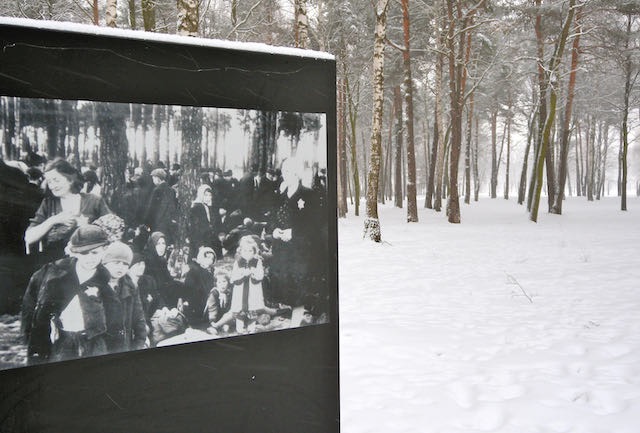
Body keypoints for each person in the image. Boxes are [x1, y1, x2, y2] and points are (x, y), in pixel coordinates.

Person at [21, 225, 111, 365]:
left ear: (104, 250)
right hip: (64, 341)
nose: (89, 259)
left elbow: (114, 314)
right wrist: (31, 335)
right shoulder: (55, 273)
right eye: (84, 253)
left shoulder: (104, 278)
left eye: (94, 253)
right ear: (75, 252)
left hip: (94, 341)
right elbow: (31, 304)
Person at [24, 158, 111, 263]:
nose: (52, 186)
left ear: (70, 179)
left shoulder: (94, 201)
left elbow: (112, 232)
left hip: (89, 263)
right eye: (49, 182)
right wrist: (53, 220)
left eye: (56, 180)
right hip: (55, 265)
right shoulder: (48, 203)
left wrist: (88, 227)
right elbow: (29, 237)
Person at [268, 157, 326, 310]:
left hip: (300, 249)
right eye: (284, 171)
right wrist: (274, 230)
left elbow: (315, 224)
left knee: (299, 289)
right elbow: (272, 218)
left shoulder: (309, 195)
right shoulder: (278, 194)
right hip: (280, 248)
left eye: (290, 171)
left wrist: (293, 233)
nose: (286, 174)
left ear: (297, 173)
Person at [100, 242, 148, 353]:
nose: (120, 267)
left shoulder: (130, 287)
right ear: (105, 263)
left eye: (125, 264)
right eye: (116, 262)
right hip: (103, 348)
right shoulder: (97, 286)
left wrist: (138, 343)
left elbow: (139, 318)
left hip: (124, 346)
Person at [229, 236, 267, 333]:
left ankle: (251, 326)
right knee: (239, 308)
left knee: (252, 307)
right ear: (240, 251)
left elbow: (260, 275)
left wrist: (253, 273)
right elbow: (233, 276)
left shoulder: (257, 262)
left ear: (254, 252)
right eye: (245, 251)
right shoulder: (237, 263)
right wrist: (242, 274)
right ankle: (240, 327)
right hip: (240, 289)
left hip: (253, 290)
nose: (247, 253)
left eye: (250, 251)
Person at [143, 231, 179, 308]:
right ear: (152, 245)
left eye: (163, 243)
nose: (161, 247)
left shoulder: (161, 261)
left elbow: (169, 282)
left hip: (163, 301)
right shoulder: (146, 262)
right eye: (158, 244)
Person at [182, 246, 216, 328]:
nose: (209, 260)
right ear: (201, 258)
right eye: (207, 257)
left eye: (212, 258)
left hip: (207, 297)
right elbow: (188, 287)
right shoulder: (194, 271)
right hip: (196, 299)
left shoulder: (212, 271)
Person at [143, 168, 177, 244]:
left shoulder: (157, 190)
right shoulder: (171, 190)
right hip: (168, 223)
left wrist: (146, 223)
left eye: (153, 178)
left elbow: (151, 208)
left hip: (157, 223)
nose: (153, 180)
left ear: (158, 178)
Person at [188, 184, 220, 257]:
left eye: (210, 195)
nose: (208, 198)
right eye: (205, 195)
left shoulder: (207, 206)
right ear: (201, 195)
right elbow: (195, 228)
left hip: (207, 239)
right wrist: (200, 244)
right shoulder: (197, 207)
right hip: (200, 240)